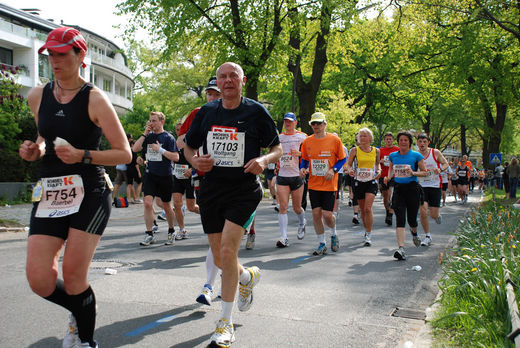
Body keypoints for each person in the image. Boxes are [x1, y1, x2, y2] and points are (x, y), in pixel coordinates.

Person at [18, 27, 131, 348]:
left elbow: (123, 153)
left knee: (73, 275)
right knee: (39, 279)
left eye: (62, 54)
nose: (54, 60)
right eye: (50, 54)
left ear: (81, 56)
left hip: (90, 194)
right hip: (51, 192)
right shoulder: (38, 95)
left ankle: (84, 338)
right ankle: (80, 309)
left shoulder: (95, 98)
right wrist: (34, 151)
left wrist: (84, 155)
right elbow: (44, 141)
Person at [184, 62, 282, 347]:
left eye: (233, 76)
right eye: (222, 77)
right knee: (219, 258)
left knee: (228, 250)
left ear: (242, 80)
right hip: (211, 190)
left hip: (243, 190)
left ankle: (224, 323)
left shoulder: (255, 111)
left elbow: (277, 148)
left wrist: (263, 160)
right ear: (217, 82)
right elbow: (188, 146)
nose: (227, 81)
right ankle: (246, 276)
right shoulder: (206, 112)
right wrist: (193, 160)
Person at [299, 112, 346, 255]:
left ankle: (333, 233)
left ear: (324, 124)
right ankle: (321, 243)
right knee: (316, 213)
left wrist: (334, 170)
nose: (316, 126)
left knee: (327, 215)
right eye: (313, 124)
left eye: (319, 123)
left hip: (330, 183)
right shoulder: (307, 141)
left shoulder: (334, 140)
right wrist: (302, 168)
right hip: (314, 183)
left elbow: (342, 159)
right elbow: (305, 159)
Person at [132, 112, 179, 246]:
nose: (151, 123)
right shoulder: (149, 136)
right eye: (150, 121)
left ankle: (171, 230)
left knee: (166, 205)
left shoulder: (169, 138)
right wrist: (145, 133)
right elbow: (135, 149)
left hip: (165, 175)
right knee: (147, 203)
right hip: (150, 174)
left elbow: (176, 157)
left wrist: (161, 150)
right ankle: (149, 234)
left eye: (154, 121)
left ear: (161, 122)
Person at [384, 130, 427, 261]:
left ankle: (414, 233)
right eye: (401, 140)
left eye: (405, 140)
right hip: (398, 190)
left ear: (409, 142)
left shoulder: (416, 156)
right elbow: (391, 168)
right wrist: (388, 177)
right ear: (398, 142)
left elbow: (425, 172)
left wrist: (413, 172)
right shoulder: (393, 156)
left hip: (412, 189)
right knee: (400, 219)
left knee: (412, 219)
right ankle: (401, 248)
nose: (403, 142)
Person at [275, 112, 307, 248]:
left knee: (296, 207)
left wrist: (300, 154)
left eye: (290, 121)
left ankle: (302, 222)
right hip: (282, 175)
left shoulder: (302, 136)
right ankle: (284, 237)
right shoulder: (279, 137)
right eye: (285, 121)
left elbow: (310, 153)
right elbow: (274, 152)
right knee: (283, 206)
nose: (287, 123)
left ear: (295, 123)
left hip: (296, 176)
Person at [346, 128, 380, 246]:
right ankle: (366, 230)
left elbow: (377, 164)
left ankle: (369, 234)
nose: (363, 138)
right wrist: (350, 170)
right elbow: (348, 165)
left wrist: (379, 170)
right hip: (358, 181)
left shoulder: (376, 151)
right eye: (361, 136)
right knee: (362, 210)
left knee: (367, 208)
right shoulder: (355, 150)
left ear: (370, 138)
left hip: (371, 181)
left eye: (365, 136)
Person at [416, 133, 449, 247]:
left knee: (433, 214)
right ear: (417, 143)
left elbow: (445, 163)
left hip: (435, 185)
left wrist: (440, 169)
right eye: (420, 141)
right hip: (421, 186)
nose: (422, 144)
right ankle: (427, 236)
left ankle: (437, 216)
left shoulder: (435, 152)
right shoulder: (415, 155)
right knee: (423, 211)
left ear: (428, 143)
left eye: (424, 142)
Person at [379, 132, 399, 225]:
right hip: (383, 176)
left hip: (394, 175)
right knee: (385, 197)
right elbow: (376, 162)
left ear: (393, 140)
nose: (388, 140)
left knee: (391, 195)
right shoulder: (380, 150)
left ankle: (390, 215)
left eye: (390, 139)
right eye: (387, 139)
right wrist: (380, 161)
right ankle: (388, 211)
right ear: (384, 140)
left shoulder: (397, 150)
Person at [126, 139, 143, 203]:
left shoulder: (127, 151)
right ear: (132, 144)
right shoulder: (134, 151)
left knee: (129, 184)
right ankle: (137, 198)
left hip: (128, 168)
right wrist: (139, 172)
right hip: (134, 169)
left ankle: (129, 199)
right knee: (140, 182)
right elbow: (136, 163)